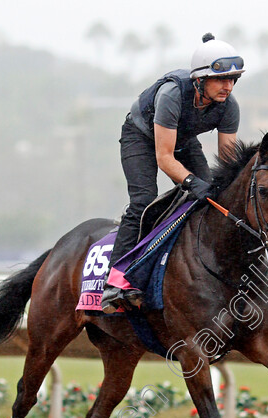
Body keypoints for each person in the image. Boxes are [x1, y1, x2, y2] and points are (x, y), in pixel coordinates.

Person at [100, 32, 245, 313]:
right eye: (221, 79)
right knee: (144, 200)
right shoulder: (172, 95)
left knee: (212, 197)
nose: (228, 86)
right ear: (200, 79)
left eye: (232, 80)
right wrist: (192, 182)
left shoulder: (229, 107)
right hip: (141, 137)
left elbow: (228, 163)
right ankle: (114, 282)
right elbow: (164, 158)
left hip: (183, 140)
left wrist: (217, 188)